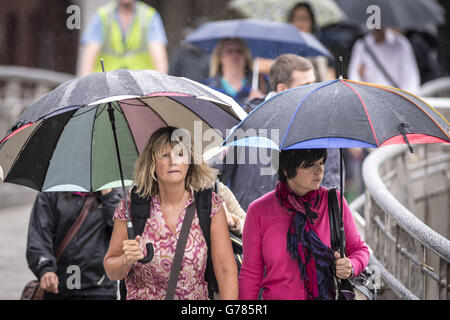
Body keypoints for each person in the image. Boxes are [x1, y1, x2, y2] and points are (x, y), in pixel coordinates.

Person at [103, 126, 238, 300]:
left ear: (189, 162)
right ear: (152, 163)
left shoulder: (209, 205)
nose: (173, 161)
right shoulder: (131, 206)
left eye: (179, 154)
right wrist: (126, 260)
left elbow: (226, 271)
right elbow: (111, 271)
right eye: (164, 155)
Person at [210, 54, 342, 212]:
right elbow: (215, 173)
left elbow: (332, 180)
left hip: (299, 227)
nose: (313, 91)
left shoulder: (321, 124)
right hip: (247, 223)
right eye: (306, 84)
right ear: (282, 89)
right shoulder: (244, 119)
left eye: (314, 83)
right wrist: (226, 215)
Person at [239, 148, 369, 300]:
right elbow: (251, 275)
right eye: (309, 165)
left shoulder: (334, 201)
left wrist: (351, 266)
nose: (319, 171)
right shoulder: (259, 211)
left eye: (321, 162)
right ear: (286, 169)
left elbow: (360, 249)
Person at [26, 189, 122, 300]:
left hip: (100, 288)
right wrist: (45, 270)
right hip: (57, 286)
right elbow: (39, 237)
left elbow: (122, 234)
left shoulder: (115, 196)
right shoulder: (51, 192)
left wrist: (109, 197)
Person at [78, 0, 168, 76]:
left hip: (141, 86)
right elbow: (88, 59)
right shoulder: (102, 16)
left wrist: (161, 88)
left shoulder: (149, 16)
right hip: (107, 86)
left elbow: (160, 58)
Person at [348, 28, 421, 93]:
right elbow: (353, 75)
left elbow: (411, 79)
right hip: (369, 98)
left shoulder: (401, 44)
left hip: (395, 98)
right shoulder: (361, 45)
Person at [203, 38, 265, 106]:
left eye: (239, 51)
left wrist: (262, 101)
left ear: (246, 57)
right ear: (220, 57)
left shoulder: (261, 83)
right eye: (229, 51)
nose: (234, 55)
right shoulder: (208, 88)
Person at [287, 2, 335, 81]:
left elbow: (329, 76)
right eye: (297, 18)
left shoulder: (320, 48)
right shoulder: (283, 46)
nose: (300, 23)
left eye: (304, 18)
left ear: (311, 22)